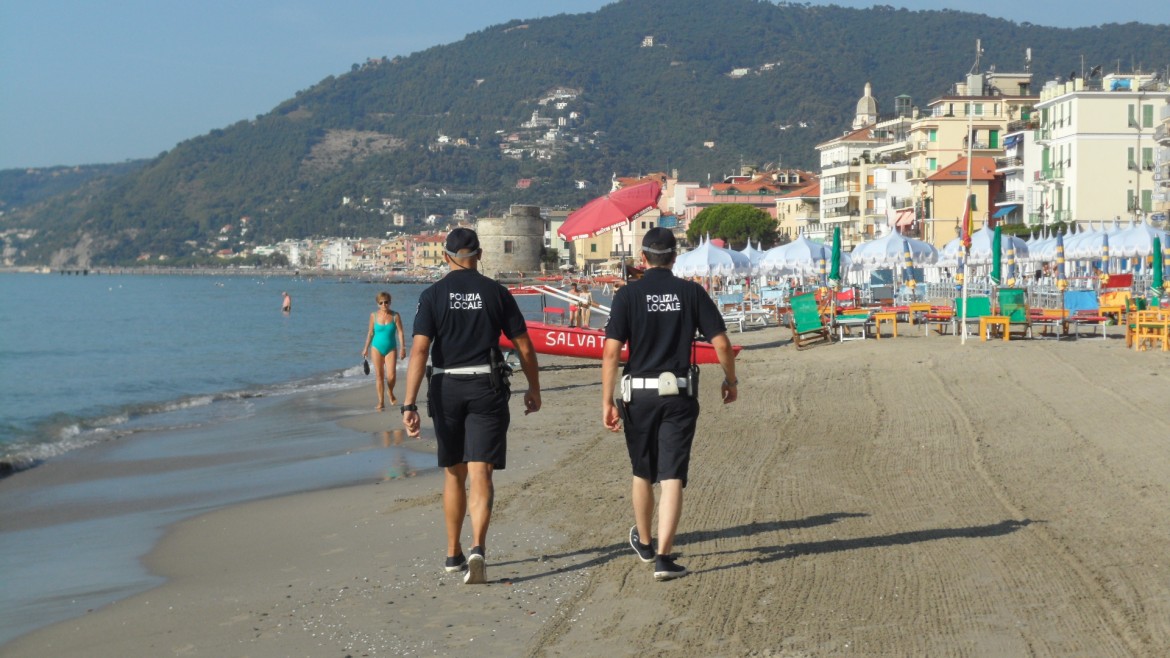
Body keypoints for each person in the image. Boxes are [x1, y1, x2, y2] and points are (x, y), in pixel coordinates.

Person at [402, 228, 541, 585]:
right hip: (486, 385)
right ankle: (478, 546)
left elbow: (419, 350)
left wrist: (408, 403)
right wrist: (533, 387)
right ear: (479, 255)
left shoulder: (432, 295)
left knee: (454, 471)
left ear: (447, 257)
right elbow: (524, 346)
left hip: (445, 387)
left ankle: (452, 553)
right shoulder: (496, 293)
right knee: (481, 471)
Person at [601, 227, 739, 582]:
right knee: (672, 475)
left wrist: (606, 401)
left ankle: (645, 543)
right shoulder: (690, 292)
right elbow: (721, 344)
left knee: (642, 471)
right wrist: (730, 380)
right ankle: (664, 557)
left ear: (642, 259)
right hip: (677, 392)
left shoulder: (628, 295)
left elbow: (612, 352)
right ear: (674, 257)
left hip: (639, 394)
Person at [362, 291, 406, 410]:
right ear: (377, 304)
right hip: (376, 347)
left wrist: (403, 348)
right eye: (381, 303)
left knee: (391, 376)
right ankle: (381, 402)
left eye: (386, 302)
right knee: (379, 376)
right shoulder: (373, 316)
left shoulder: (395, 315)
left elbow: (400, 332)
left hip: (391, 348)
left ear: (390, 302)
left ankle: (390, 392)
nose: (384, 305)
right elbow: (370, 333)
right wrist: (366, 348)